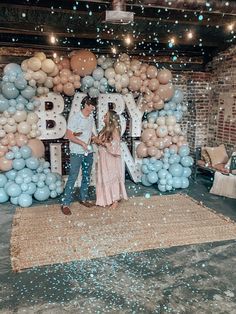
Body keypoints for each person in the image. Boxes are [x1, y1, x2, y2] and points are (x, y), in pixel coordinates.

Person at [61, 96, 97, 215]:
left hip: (88, 152)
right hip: (76, 152)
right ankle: (65, 203)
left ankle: (83, 198)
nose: (93, 107)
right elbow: (69, 135)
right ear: (86, 104)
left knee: (86, 176)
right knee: (73, 177)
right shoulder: (75, 117)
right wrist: (82, 143)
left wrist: (94, 138)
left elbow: (89, 132)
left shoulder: (91, 117)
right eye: (92, 104)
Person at [93, 108, 128, 209]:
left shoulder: (115, 130)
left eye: (106, 116)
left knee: (111, 178)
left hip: (110, 158)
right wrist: (95, 140)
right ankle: (105, 199)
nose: (103, 117)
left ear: (111, 119)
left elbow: (114, 146)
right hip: (102, 158)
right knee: (104, 177)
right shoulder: (104, 130)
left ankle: (115, 200)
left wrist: (101, 143)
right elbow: (101, 141)